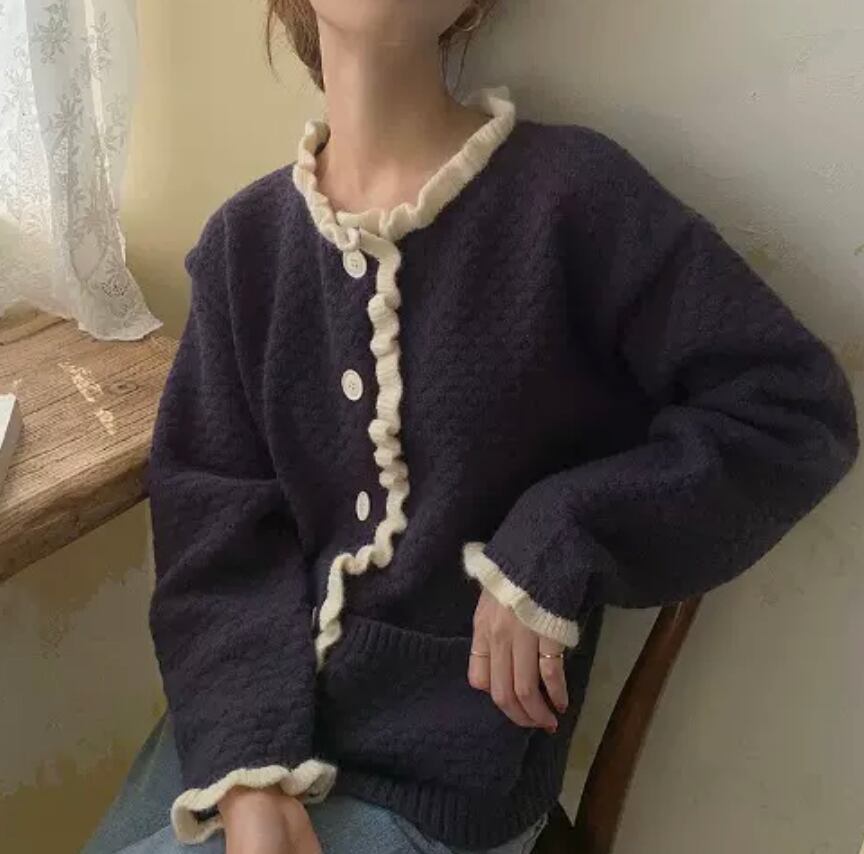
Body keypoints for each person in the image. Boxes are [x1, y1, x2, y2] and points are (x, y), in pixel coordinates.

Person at [81, 1, 859, 853]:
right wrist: (247, 774)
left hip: (448, 774)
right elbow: (213, 538)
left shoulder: (574, 199)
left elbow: (792, 408)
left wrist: (562, 533)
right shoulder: (244, 248)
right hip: (232, 726)